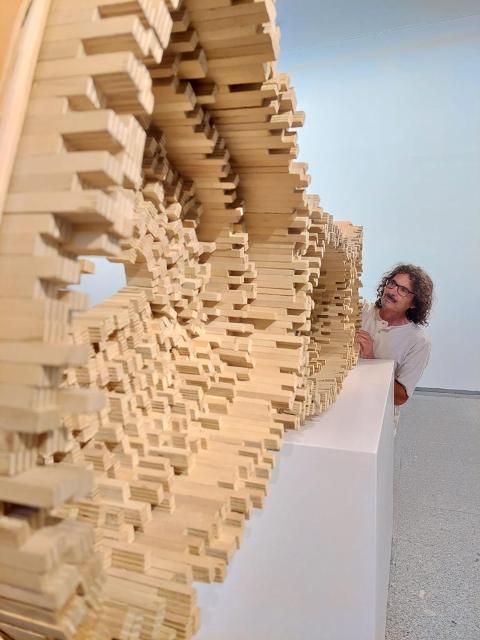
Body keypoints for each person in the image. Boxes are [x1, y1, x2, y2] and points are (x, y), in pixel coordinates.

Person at [356, 264, 433, 417]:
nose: (392, 291)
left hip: (376, 413)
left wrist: (371, 361)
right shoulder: (360, 310)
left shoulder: (418, 341)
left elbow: (400, 397)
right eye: (392, 283)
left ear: (414, 303)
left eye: (403, 290)